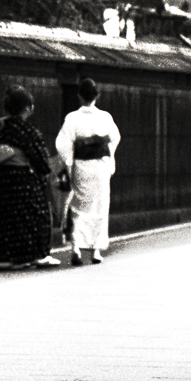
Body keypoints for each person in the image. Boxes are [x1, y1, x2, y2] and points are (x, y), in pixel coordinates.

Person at [0, 85, 61, 270]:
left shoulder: (3, 131)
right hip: (24, 178)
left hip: (5, 180)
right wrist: (46, 172)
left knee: (9, 218)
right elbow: (41, 162)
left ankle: (7, 257)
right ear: (27, 108)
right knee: (37, 214)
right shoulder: (28, 131)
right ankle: (39, 255)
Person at [55, 78, 121, 265]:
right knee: (100, 207)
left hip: (81, 167)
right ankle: (96, 251)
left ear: (79, 96)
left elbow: (62, 144)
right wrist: (108, 160)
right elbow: (114, 139)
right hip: (100, 167)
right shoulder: (106, 117)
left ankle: (75, 248)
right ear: (97, 95)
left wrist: (69, 163)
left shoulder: (72, 118)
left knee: (78, 207)